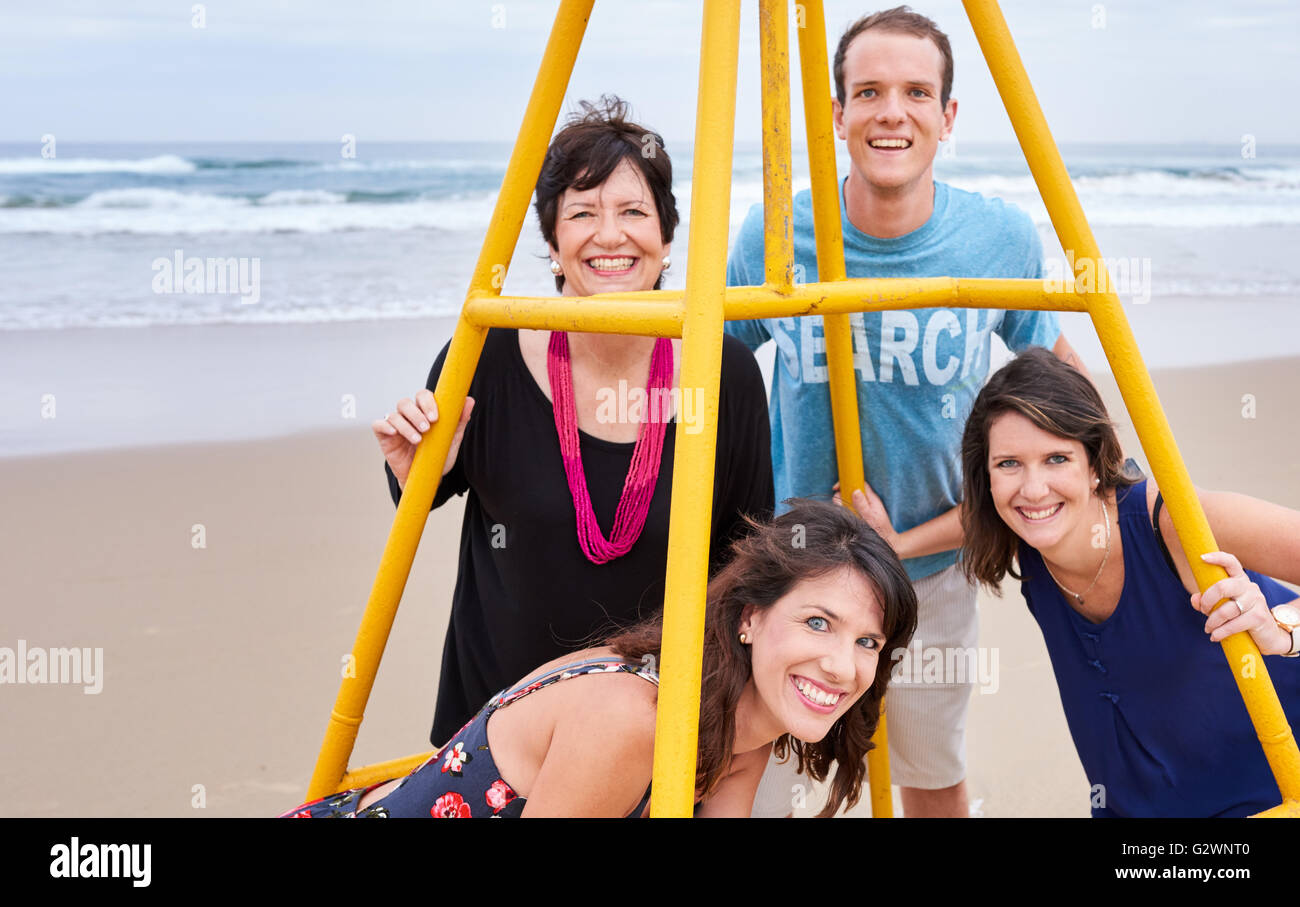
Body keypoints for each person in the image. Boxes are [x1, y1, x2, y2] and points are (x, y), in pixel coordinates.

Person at [725, 7, 1089, 817]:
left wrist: (1113, 490)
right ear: (837, 113)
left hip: (930, 572)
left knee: (929, 775)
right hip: (796, 574)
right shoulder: (780, 233)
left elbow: (1064, 394)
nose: (893, 112)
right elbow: (707, 368)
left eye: (917, 92)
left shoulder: (996, 238)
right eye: (870, 91)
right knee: (754, 780)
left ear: (947, 116)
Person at [374, 96, 774, 750]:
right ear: (554, 245)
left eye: (634, 212)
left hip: (653, 734)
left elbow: (746, 554)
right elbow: (421, 489)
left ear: (667, 238)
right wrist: (411, 467)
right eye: (583, 213)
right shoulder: (487, 352)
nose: (609, 235)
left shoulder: (723, 369)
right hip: (494, 737)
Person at [852, 346, 1300, 816]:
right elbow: (975, 517)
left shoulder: (1176, 522)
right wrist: (899, 544)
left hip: (1276, 784)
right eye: (1008, 463)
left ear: (1093, 464)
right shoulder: (1022, 528)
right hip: (1145, 802)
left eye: (1057, 458)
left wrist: (1283, 629)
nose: (1033, 488)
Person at [280, 500, 918, 817]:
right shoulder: (635, 718)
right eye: (817, 623)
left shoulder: (742, 731)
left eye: (868, 642)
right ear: (750, 617)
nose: (842, 666)